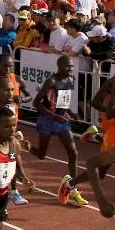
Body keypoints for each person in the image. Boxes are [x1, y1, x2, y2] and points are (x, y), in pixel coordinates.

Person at [32, 55, 86, 206]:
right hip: (48, 120)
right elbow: (36, 103)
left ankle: (72, 189)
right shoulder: (51, 81)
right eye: (68, 66)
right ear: (60, 66)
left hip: (62, 121)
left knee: (73, 152)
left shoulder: (70, 80)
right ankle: (26, 146)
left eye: (72, 66)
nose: (71, 69)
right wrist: (55, 116)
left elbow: (62, 101)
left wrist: (71, 111)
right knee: (41, 155)